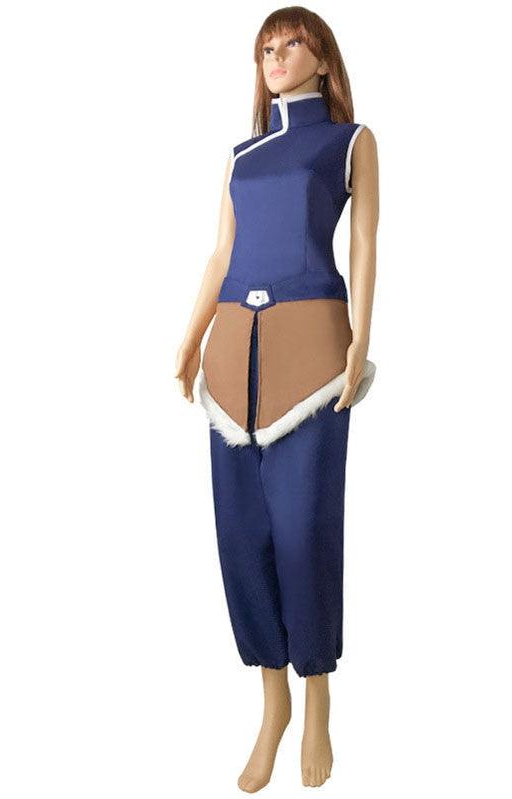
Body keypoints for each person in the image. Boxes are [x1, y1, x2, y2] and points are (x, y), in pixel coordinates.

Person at [175, 7, 379, 792]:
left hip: (312, 350)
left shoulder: (349, 142)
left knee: (304, 528)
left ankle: (316, 689)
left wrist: (360, 337)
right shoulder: (241, 155)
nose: (277, 55)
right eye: (266, 47)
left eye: (292, 43)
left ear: (322, 59)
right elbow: (221, 252)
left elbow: (363, 242)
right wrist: (190, 337)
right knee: (243, 534)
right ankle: (272, 701)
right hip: (233, 352)